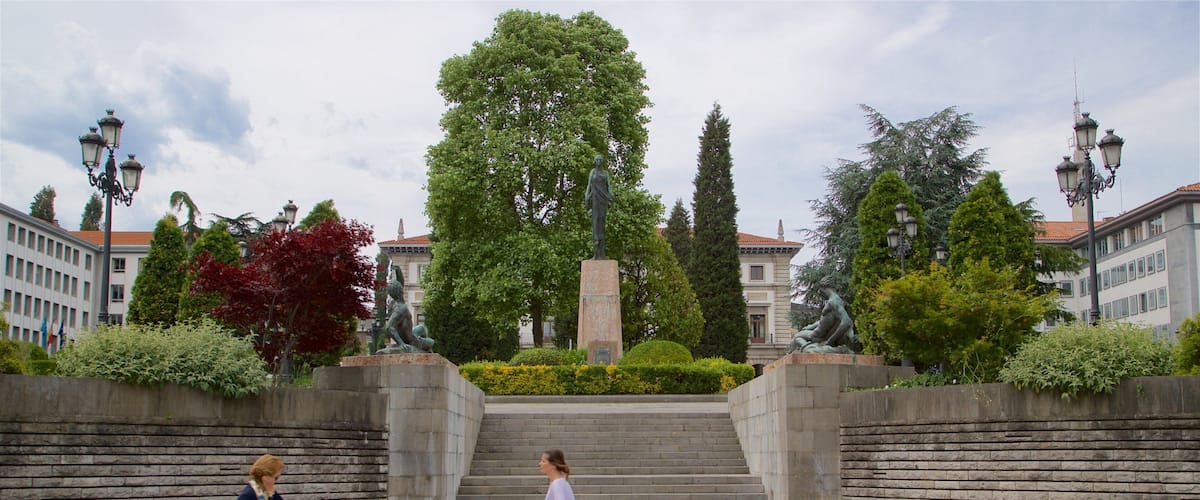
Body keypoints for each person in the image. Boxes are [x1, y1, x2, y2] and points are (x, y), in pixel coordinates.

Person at [585, 154, 614, 260]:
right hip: (594, 201)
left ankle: (601, 253)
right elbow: (589, 186)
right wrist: (586, 197)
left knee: (601, 225)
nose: (598, 161)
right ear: (594, 161)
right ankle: (596, 252)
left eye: (600, 160)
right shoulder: (592, 172)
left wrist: (612, 196)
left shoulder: (605, 173)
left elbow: (609, 187)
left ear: (602, 161)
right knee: (595, 226)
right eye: (597, 160)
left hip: (603, 201)